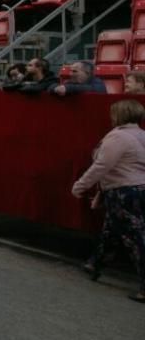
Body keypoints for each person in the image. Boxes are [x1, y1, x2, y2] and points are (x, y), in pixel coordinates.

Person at [72, 99, 145, 302]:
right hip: (139, 189)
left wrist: (80, 186)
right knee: (110, 229)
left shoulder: (118, 137)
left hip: (123, 192)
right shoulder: (142, 135)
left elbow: (101, 167)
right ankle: (95, 263)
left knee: (135, 239)